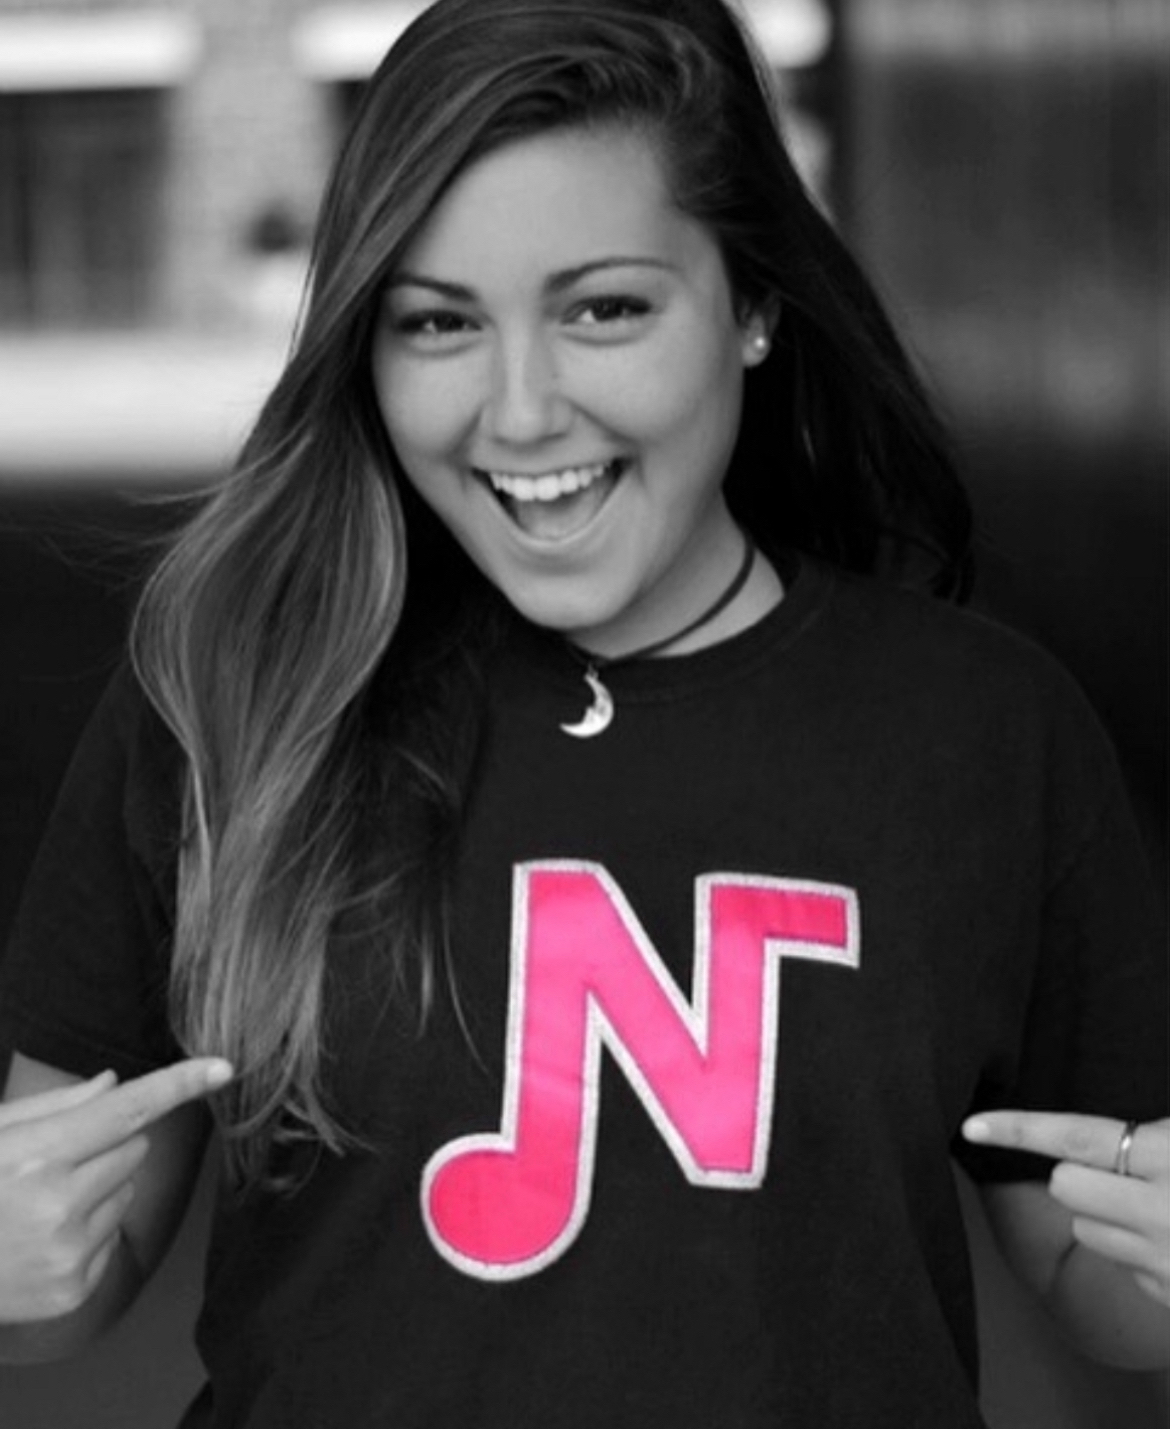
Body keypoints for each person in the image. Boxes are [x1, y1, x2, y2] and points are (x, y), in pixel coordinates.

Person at [0, 0, 1166, 1423]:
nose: (520, 412)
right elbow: (61, 1280)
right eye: (438, 322)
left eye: (603, 308)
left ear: (752, 306)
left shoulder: (982, 730)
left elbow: (1102, 1288)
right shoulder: (235, 697)